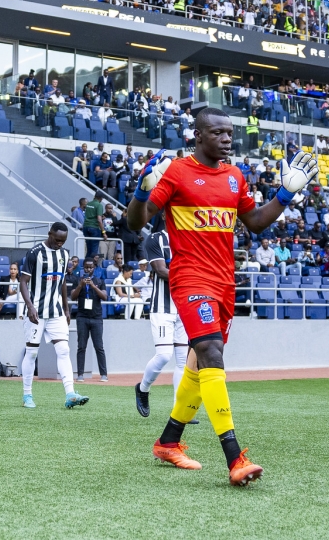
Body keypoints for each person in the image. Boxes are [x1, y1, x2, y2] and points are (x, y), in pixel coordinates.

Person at [126, 107, 318, 485]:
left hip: (224, 282)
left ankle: (168, 442)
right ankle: (235, 457)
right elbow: (137, 222)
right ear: (198, 136)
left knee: (201, 362)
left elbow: (257, 223)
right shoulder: (178, 172)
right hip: (190, 277)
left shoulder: (234, 176)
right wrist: (140, 192)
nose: (228, 139)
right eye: (218, 133)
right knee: (211, 351)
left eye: (230, 133)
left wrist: (284, 194)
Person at [134, 227, 204, 425]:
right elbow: (160, 270)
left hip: (184, 307)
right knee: (164, 355)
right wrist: (189, 277)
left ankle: (178, 411)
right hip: (162, 307)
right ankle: (143, 388)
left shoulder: (191, 238)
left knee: (183, 360)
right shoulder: (156, 239)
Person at [19, 222, 88, 409]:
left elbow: (62, 282)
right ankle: (27, 395)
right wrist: (30, 306)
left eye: (63, 241)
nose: (59, 243)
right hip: (36, 312)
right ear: (49, 234)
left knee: (64, 350)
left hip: (56, 311)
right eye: (57, 240)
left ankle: (70, 394)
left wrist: (66, 308)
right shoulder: (34, 253)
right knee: (32, 352)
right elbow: (23, 281)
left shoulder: (65, 254)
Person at [69, 258, 108, 382]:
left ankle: (104, 374)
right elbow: (73, 296)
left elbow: (105, 297)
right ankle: (80, 374)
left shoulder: (99, 281)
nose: (88, 269)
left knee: (99, 347)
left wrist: (93, 286)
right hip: (82, 317)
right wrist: (81, 285)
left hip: (96, 318)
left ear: (94, 268)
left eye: (91, 267)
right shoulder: (77, 280)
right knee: (81, 346)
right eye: (86, 267)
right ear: (83, 268)